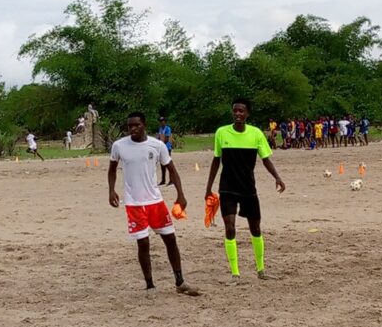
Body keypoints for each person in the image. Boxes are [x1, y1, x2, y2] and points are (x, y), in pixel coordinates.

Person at [108, 112, 199, 298]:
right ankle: (150, 285)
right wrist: (111, 190)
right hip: (134, 204)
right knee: (143, 243)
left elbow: (172, 170)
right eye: (130, 126)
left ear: (144, 125)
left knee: (171, 240)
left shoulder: (157, 146)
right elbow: (111, 170)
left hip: (155, 202)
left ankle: (180, 281)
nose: (133, 129)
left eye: (136, 125)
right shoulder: (119, 146)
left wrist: (181, 194)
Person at [205, 98, 286, 285]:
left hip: (248, 188)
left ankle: (261, 270)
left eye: (241, 111)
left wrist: (277, 177)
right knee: (230, 227)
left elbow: (265, 159)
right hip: (227, 188)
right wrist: (208, 187)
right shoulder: (221, 133)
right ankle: (235, 273)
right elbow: (216, 160)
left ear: (248, 113)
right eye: (235, 110)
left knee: (255, 229)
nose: (238, 114)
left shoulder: (256, 134)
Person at [157, 116, 173, 186]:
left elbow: (166, 138)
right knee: (162, 164)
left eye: (162, 121)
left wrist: (160, 143)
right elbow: (159, 137)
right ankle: (163, 180)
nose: (161, 122)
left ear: (165, 122)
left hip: (167, 147)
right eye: (160, 121)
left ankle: (171, 180)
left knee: (168, 163)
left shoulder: (167, 129)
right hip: (161, 147)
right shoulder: (160, 129)